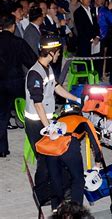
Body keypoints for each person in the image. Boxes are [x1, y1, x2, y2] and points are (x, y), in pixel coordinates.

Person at [24, 34, 81, 206]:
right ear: (51, 52)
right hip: (36, 123)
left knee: (54, 158)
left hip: (47, 120)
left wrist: (75, 99)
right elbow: (38, 103)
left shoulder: (47, 68)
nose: (59, 55)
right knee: (43, 160)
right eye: (58, 52)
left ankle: (59, 190)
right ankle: (40, 195)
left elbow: (56, 87)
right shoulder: (35, 73)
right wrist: (49, 128)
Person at [0, 15, 36, 157]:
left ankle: (2, 149)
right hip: (16, 83)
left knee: (1, 116)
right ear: (13, 26)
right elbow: (32, 61)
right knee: (29, 112)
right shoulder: (18, 42)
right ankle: (35, 145)